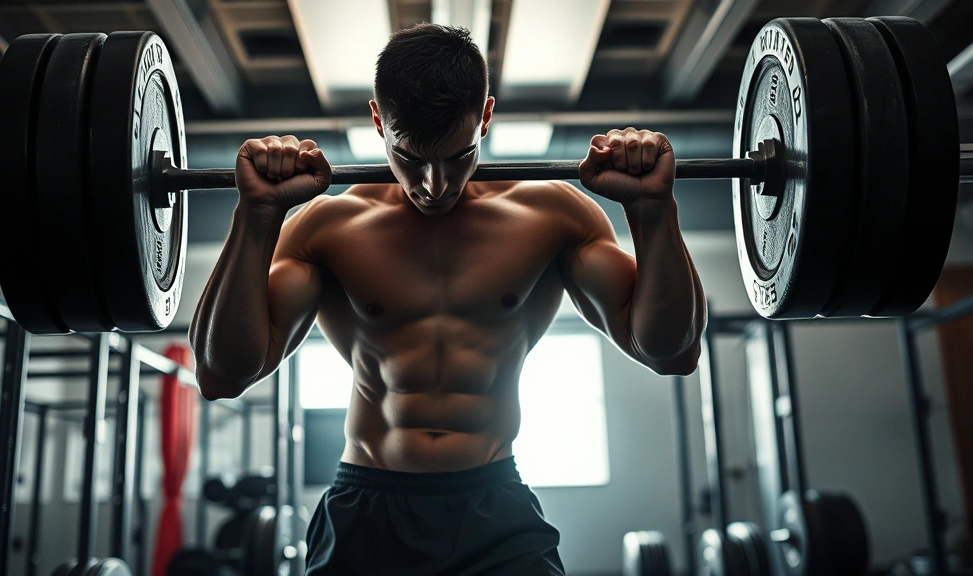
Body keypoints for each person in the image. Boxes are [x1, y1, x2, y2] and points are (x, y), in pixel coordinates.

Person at [190, 23, 705, 576]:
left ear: (485, 117)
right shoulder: (330, 226)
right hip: (368, 509)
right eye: (410, 158)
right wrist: (257, 217)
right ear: (376, 121)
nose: (434, 184)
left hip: (493, 505)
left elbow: (669, 352)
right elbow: (223, 374)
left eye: (458, 155)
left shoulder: (552, 215)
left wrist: (652, 213)